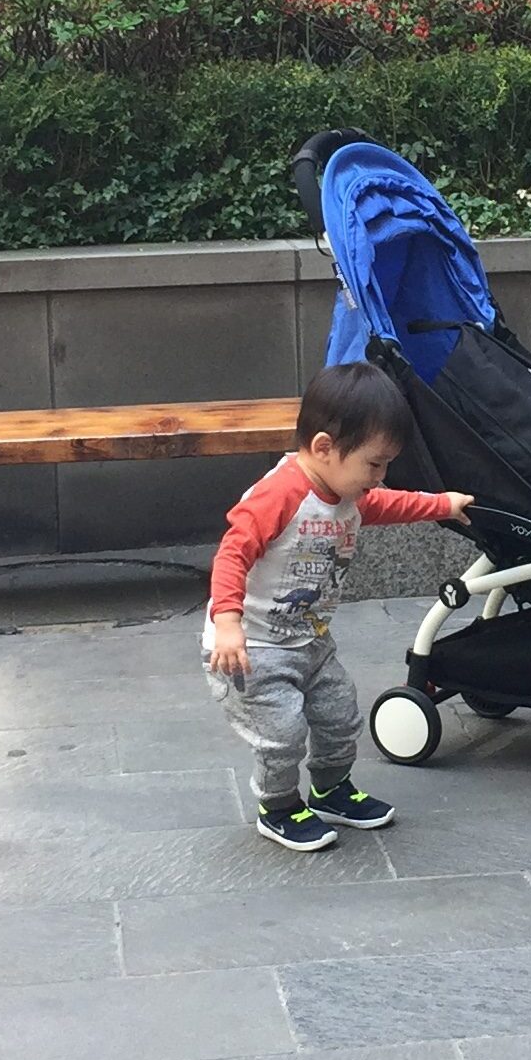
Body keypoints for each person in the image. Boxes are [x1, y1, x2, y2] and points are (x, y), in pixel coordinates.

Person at [207, 360, 471, 851]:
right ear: (324, 447)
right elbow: (232, 551)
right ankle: (278, 805)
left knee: (339, 715)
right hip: (253, 648)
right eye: (375, 463)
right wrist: (227, 621)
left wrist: (443, 505)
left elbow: (393, 505)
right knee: (281, 735)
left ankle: (330, 790)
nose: (381, 476)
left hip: (310, 640)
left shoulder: (347, 492)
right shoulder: (280, 494)